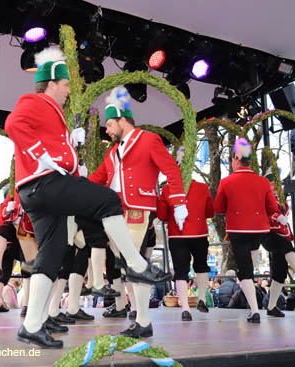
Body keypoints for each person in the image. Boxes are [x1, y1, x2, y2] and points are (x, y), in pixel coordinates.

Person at [4, 47, 171, 348]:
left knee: (51, 256)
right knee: (109, 200)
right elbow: (14, 125)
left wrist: (71, 152)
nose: (69, 90)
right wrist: (41, 154)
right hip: (44, 183)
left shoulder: (55, 113)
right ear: (52, 83)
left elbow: (58, 154)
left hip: (42, 191)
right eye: (66, 84)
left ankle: (31, 326)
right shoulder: (34, 100)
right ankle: (135, 263)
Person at [86, 86, 187, 337]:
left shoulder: (148, 139)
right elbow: (96, 180)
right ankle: (142, 321)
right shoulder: (112, 153)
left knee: (135, 265)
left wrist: (179, 202)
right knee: (133, 266)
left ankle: (143, 321)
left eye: (109, 125)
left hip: (137, 212)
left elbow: (171, 170)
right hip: (113, 216)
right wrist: (75, 179)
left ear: (122, 120)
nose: (107, 131)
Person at [214, 138, 281, 323]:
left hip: (238, 230)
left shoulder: (226, 182)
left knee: (244, 271)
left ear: (236, 158)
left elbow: (218, 208)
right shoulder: (262, 182)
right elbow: (273, 208)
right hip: (259, 230)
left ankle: (254, 310)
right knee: (249, 266)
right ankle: (253, 304)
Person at [157, 157, 214, 321]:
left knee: (180, 271)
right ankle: (202, 298)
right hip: (199, 233)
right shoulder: (203, 188)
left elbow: (161, 215)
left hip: (177, 235)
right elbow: (210, 212)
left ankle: (185, 308)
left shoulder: (167, 190)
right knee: (201, 266)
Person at [261, 167, 295, 318]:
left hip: (280, 233)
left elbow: (282, 211)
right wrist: (276, 217)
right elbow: (263, 211)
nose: (273, 186)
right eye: (271, 183)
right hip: (267, 233)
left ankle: (271, 306)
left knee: (280, 271)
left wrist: (281, 214)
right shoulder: (262, 195)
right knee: (287, 247)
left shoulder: (280, 197)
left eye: (274, 183)